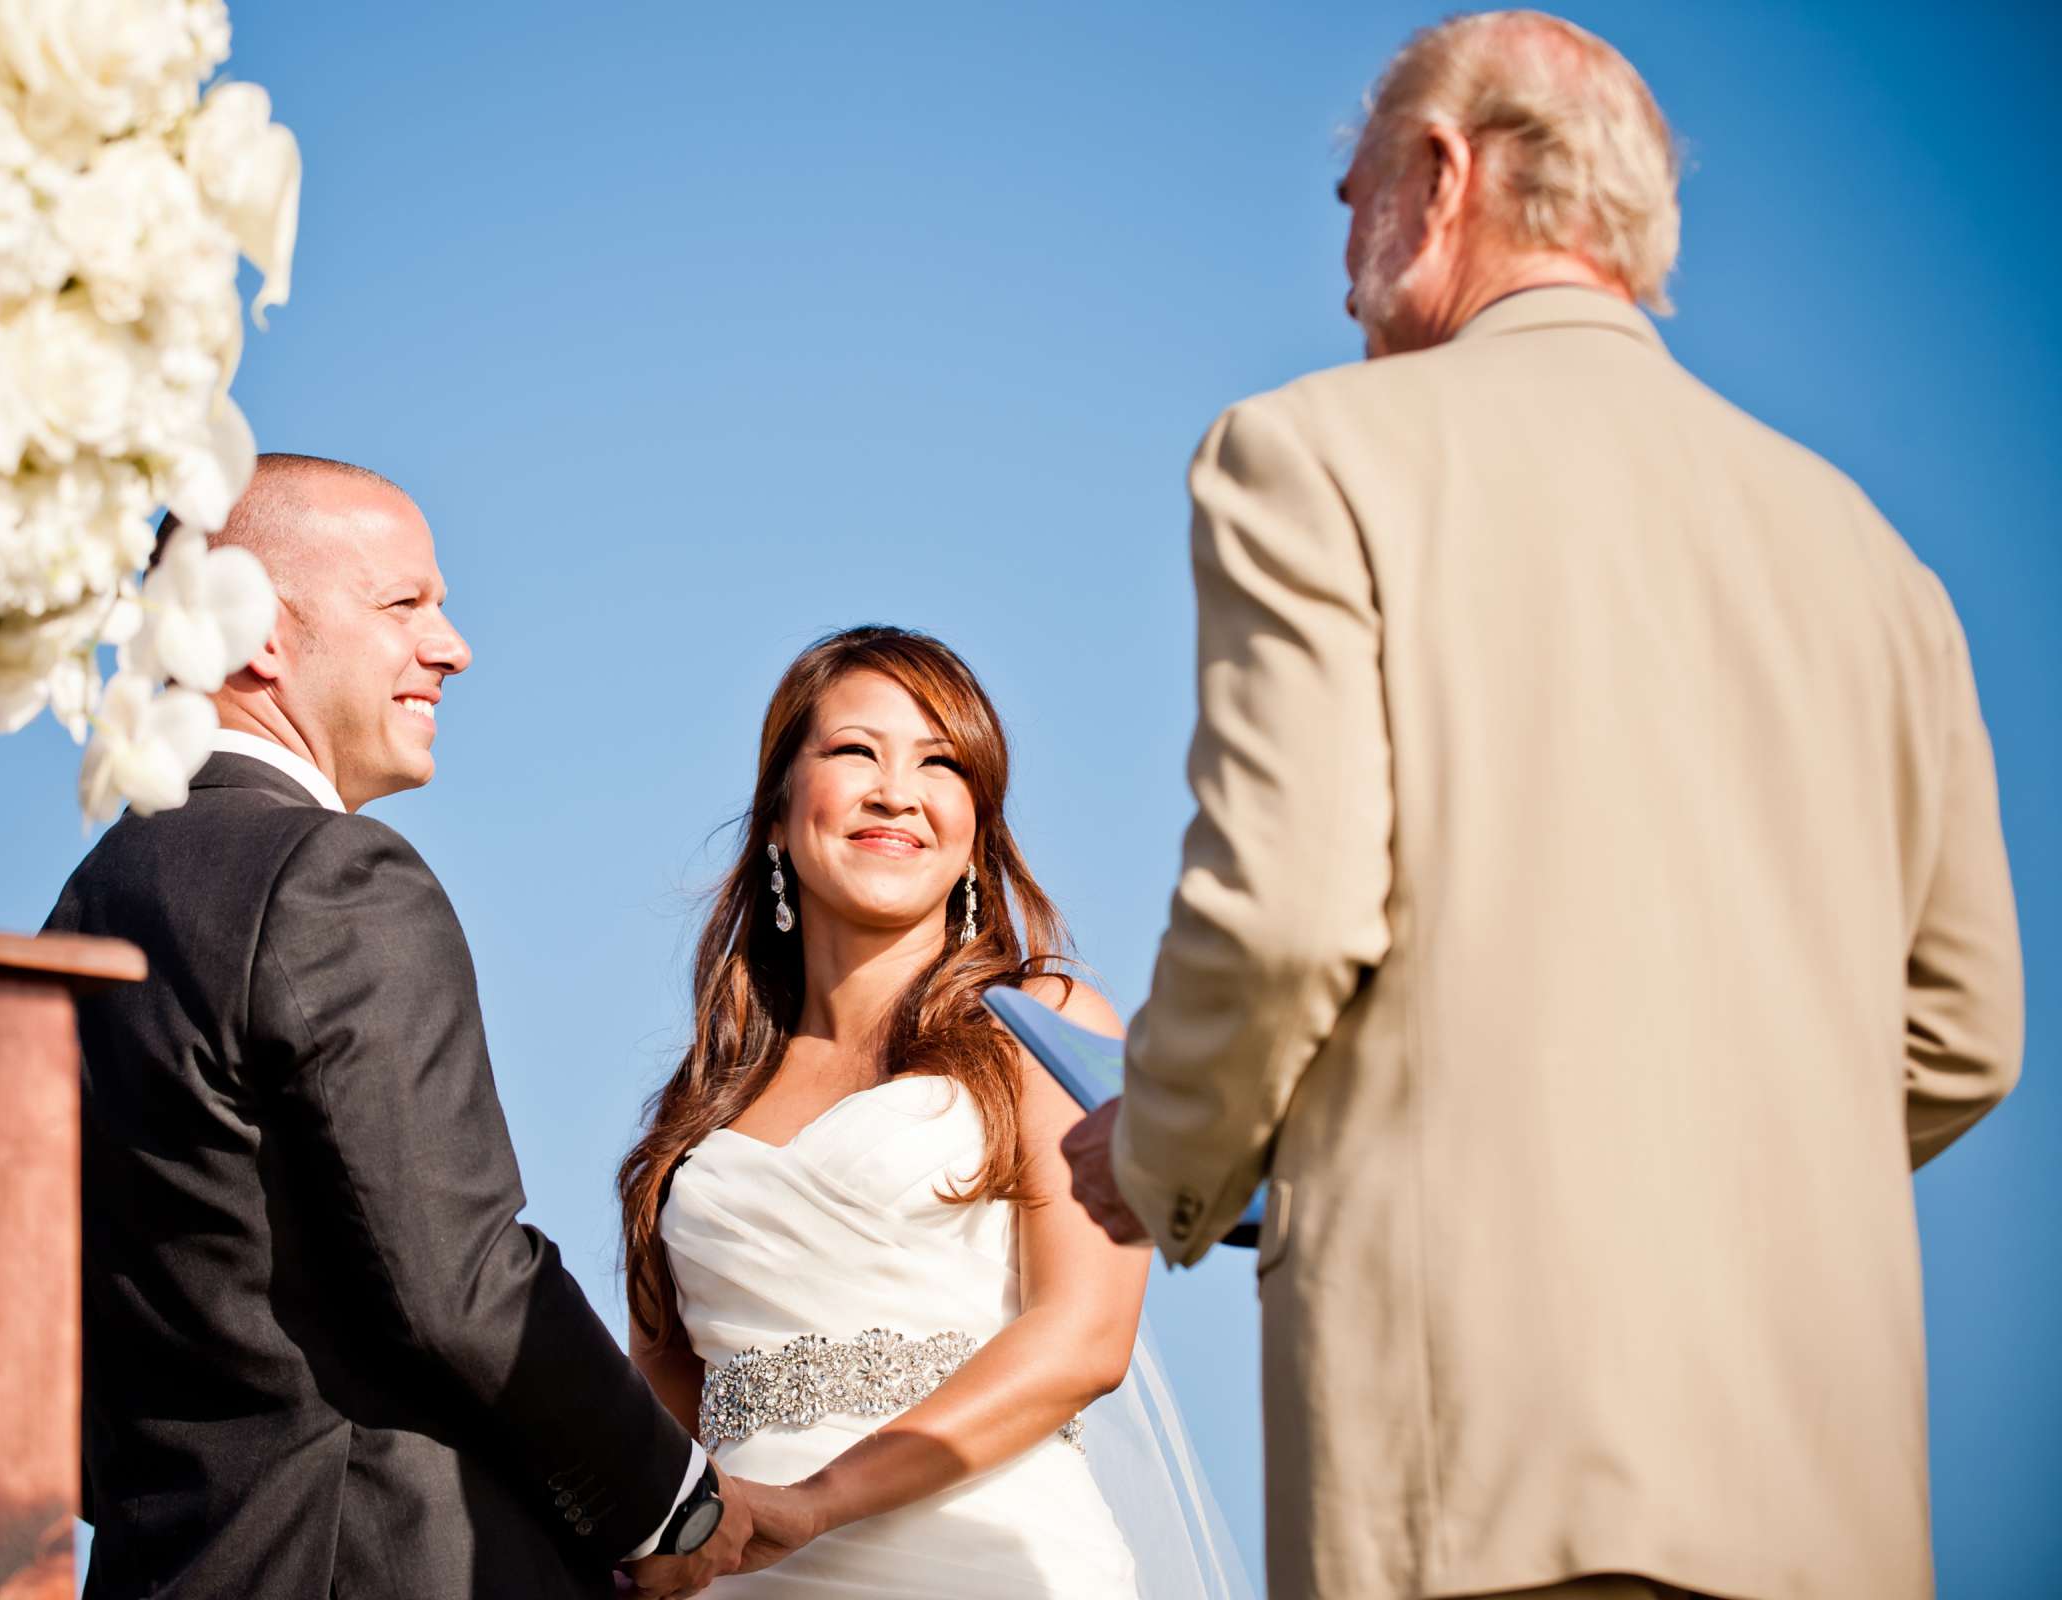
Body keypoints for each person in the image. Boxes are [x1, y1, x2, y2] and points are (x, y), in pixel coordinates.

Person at [1061, 12, 2024, 1600]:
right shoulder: (1878, 566)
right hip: (1831, 1504)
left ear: (1440, 182)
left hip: (1482, 1478)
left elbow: (1287, 915)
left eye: (1354, 205)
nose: (1345, 275)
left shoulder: (1316, 457)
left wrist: (1169, 1153)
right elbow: (1968, 1029)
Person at [47, 453, 756, 1599]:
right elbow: (461, 1282)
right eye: (404, 604)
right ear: (259, 636)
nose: (453, 644)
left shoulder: (90, 901)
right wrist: (670, 1506)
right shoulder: (330, 877)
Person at [618, 627, 1251, 1598]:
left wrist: (820, 1500)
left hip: (988, 1560)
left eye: (940, 761)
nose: (895, 790)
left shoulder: (1051, 1028)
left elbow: (1084, 1337)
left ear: (976, 827)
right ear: (781, 812)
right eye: (854, 752)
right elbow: (661, 1385)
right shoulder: (697, 1109)